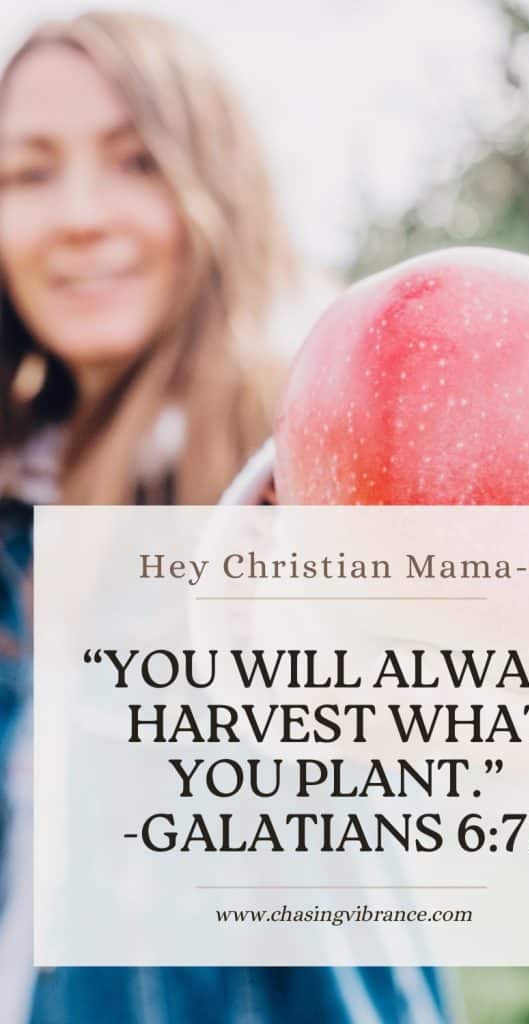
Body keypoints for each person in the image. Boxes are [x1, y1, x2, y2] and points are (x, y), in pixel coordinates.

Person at [0, 11, 452, 1024]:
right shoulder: (23, 507)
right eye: (26, 174)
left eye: (137, 161)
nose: (78, 215)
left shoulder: (312, 460)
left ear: (216, 187)